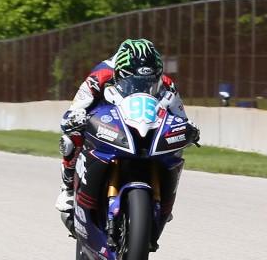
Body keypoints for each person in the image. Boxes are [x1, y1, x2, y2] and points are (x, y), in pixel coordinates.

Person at [54, 38, 198, 212]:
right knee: (71, 137)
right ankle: (68, 187)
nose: (143, 86)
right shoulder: (99, 76)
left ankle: (164, 199)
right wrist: (77, 118)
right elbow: (71, 113)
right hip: (106, 122)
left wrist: (188, 129)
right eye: (135, 82)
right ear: (119, 73)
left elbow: (180, 118)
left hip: (143, 124)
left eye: (149, 82)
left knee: (175, 144)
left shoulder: (167, 83)